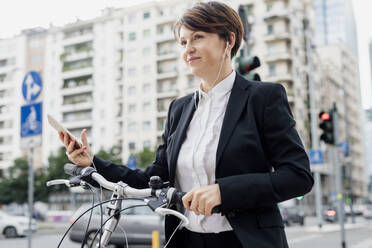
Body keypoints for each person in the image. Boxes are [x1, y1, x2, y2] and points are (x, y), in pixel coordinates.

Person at [59, 2, 314, 247]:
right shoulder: (178, 109)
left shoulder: (264, 98)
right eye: (183, 42)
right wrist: (92, 163)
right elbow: (152, 180)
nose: (188, 49)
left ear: (229, 40)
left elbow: (297, 176)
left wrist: (224, 192)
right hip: (186, 239)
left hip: (244, 241)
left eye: (198, 37)